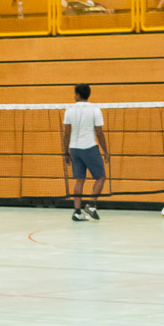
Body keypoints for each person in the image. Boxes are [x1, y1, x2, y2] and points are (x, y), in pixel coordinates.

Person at [62, 83, 109, 222]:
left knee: (79, 180)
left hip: (74, 149)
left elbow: (66, 133)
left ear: (78, 94)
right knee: (101, 177)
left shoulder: (69, 110)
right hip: (89, 147)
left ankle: (77, 212)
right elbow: (99, 133)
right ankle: (91, 205)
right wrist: (106, 151)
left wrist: (65, 152)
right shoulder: (95, 110)